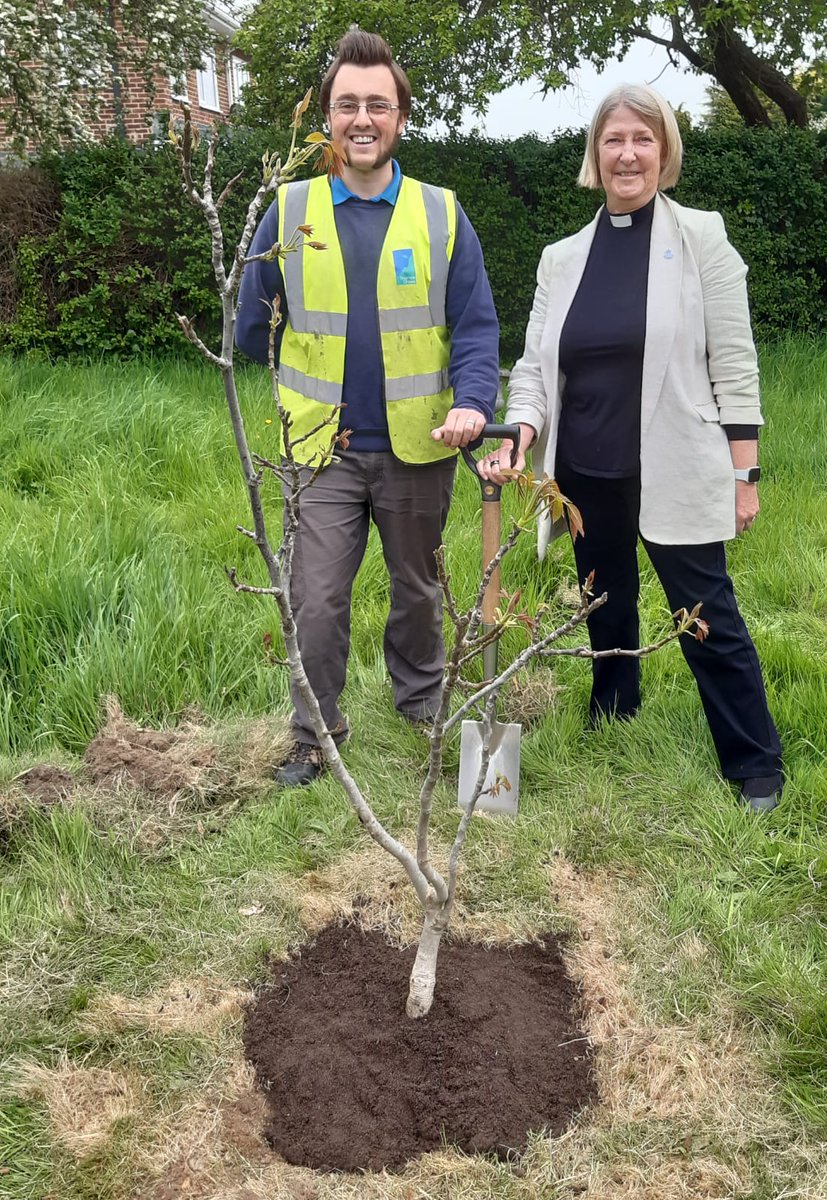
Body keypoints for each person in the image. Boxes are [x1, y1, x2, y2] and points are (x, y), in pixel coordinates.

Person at [479, 84, 783, 812]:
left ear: (664, 152)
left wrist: (745, 473)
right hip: (583, 466)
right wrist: (520, 430)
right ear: (595, 153)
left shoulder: (700, 237)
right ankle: (614, 707)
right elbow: (533, 367)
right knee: (602, 600)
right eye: (613, 139)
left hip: (671, 461)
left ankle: (753, 760)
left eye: (642, 139)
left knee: (705, 611)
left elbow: (733, 364)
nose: (627, 153)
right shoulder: (561, 258)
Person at [236, 28, 499, 786]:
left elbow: (476, 326)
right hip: (321, 451)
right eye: (346, 104)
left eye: (376, 105)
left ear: (400, 118)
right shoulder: (288, 212)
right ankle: (314, 732)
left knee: (418, 590)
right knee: (316, 597)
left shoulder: (441, 215)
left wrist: (475, 403)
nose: (361, 118)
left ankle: (419, 702)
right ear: (328, 116)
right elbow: (255, 325)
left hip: (420, 443)